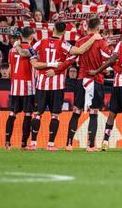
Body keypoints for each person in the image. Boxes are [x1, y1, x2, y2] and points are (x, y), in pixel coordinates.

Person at [30, 22, 99, 151]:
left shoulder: (41, 42)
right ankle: (50, 145)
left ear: (53, 29)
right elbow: (80, 50)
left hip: (42, 83)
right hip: (57, 85)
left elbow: (30, 52)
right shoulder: (63, 44)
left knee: (37, 114)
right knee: (55, 115)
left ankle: (33, 143)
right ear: (64, 33)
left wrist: (35, 60)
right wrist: (93, 38)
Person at [71, 18, 116, 152]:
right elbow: (109, 59)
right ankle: (91, 146)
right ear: (98, 28)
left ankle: (68, 144)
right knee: (94, 113)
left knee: (76, 112)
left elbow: (76, 61)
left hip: (81, 79)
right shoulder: (101, 42)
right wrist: (102, 69)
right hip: (95, 80)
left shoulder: (79, 41)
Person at [5, 27, 35, 151]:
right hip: (27, 86)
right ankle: (23, 144)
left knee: (12, 114)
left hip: (15, 86)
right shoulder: (32, 49)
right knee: (28, 114)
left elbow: (10, 70)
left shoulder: (11, 50)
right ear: (31, 37)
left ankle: (7, 143)